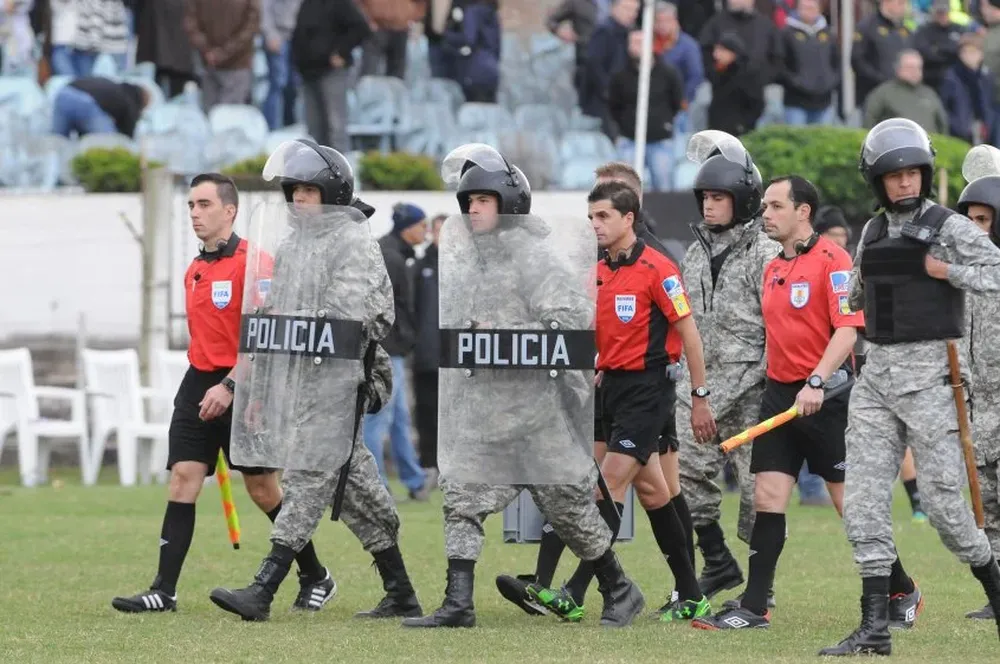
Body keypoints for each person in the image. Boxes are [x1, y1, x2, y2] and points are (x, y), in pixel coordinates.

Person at [402, 145, 645, 629]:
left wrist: (511, 338)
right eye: (468, 201)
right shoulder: (469, 259)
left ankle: (620, 588)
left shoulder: (534, 257)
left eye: (483, 201)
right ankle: (458, 603)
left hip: (537, 414)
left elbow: (573, 321)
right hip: (483, 411)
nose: (472, 209)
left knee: (571, 510)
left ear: (509, 203)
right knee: (462, 498)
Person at [207, 140, 422, 622]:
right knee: (359, 493)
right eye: (294, 191)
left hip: (342, 381)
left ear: (329, 193)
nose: (298, 199)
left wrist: (305, 326)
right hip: (299, 384)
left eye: (308, 190)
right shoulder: (291, 246)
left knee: (306, 476)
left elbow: (360, 315)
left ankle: (262, 590)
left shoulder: (355, 243)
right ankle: (402, 592)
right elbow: (275, 314)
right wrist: (253, 386)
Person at [111, 173, 335, 614]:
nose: (195, 213)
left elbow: (265, 339)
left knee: (261, 489)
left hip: (247, 383)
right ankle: (164, 590)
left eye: (204, 204)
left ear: (229, 211)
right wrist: (210, 382)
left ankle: (316, 575)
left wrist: (235, 386)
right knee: (183, 479)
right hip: (198, 381)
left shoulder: (258, 264)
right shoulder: (194, 271)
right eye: (191, 205)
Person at [821, 118, 1000, 656]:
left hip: (932, 383)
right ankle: (875, 627)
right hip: (876, 381)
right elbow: (852, 295)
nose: (905, 183)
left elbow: (995, 271)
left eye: (912, 173)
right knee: (864, 505)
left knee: (949, 513)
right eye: (894, 175)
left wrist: (944, 271)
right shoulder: (871, 232)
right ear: (877, 181)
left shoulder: (949, 226)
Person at [493, 163, 701, 620]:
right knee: (652, 493)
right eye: (590, 217)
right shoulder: (597, 268)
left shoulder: (658, 266)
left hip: (649, 390)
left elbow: (689, 331)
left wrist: (699, 395)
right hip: (608, 389)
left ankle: (579, 591)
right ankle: (690, 592)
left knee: (603, 488)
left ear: (629, 217)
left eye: (603, 216)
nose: (595, 226)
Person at [690, 176, 867, 629]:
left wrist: (816, 380)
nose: (765, 214)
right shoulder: (772, 268)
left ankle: (900, 589)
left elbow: (847, 328)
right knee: (768, 498)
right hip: (780, 396)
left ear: (802, 212)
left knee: (850, 505)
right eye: (765, 206)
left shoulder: (834, 259)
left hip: (826, 396)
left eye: (775, 206)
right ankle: (753, 606)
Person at [676, 130, 778, 605]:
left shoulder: (767, 254)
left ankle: (762, 587)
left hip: (754, 395)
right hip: (699, 394)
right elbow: (683, 324)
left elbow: (777, 330)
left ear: (743, 199)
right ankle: (717, 563)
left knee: (760, 495)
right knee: (685, 480)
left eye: (719, 197)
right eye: (705, 197)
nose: (709, 206)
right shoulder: (692, 254)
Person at [955, 145, 1000, 621]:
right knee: (983, 504)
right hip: (973, 411)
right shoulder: (957, 280)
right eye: (969, 219)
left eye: (984, 220)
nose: (975, 230)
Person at [363, 203, 429, 501]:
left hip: (393, 348)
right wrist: (406, 337)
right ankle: (375, 483)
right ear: (408, 227)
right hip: (388, 349)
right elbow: (395, 307)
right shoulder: (392, 257)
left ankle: (414, 480)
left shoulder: (392, 252)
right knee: (380, 418)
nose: (426, 232)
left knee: (399, 417)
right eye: (422, 226)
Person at [412, 213, 447, 485]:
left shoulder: (468, 266)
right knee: (425, 412)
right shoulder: (420, 265)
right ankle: (427, 465)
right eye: (438, 231)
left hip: (455, 356)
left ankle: (451, 466)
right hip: (424, 355)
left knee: (452, 415)